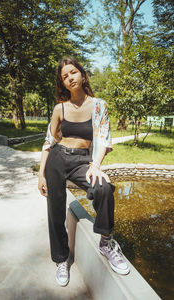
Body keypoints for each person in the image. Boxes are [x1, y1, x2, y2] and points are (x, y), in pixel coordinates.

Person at [38, 57, 130, 287]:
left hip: (83, 161)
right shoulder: (60, 108)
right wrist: (41, 173)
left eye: (73, 72)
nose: (70, 78)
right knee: (55, 210)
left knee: (103, 188)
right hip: (58, 159)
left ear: (82, 74)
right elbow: (49, 142)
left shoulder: (99, 105)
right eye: (65, 77)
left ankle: (106, 241)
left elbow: (103, 140)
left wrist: (95, 166)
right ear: (63, 83)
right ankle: (61, 259)